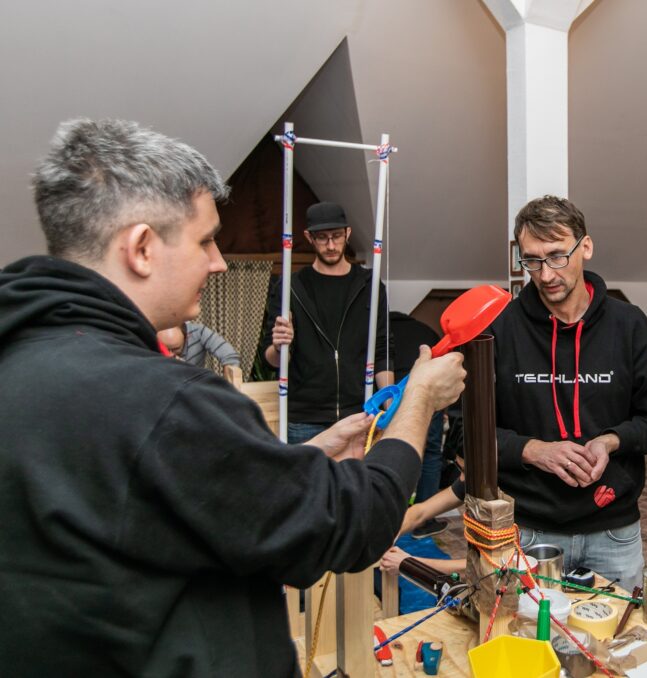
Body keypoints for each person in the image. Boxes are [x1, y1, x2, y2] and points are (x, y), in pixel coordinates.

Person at [0, 118, 466, 677]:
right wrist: (418, 402)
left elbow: (179, 493)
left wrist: (309, 453)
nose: (219, 261)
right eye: (204, 240)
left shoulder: (26, 358)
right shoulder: (163, 400)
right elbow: (352, 524)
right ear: (142, 249)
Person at [489, 195, 647, 591]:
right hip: (528, 530)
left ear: (586, 247)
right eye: (532, 260)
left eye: (557, 256)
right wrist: (534, 451)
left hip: (614, 532)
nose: (545, 275)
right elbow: (464, 433)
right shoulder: (499, 331)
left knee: (614, 648)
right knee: (532, 647)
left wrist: (611, 441)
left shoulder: (629, 326)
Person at [261, 201, 394, 444]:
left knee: (357, 482)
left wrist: (390, 407)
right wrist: (281, 346)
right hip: (305, 419)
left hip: (360, 413)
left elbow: (382, 349)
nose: (331, 245)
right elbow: (271, 359)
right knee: (309, 483)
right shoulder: (291, 286)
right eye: (322, 238)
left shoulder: (370, 286)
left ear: (348, 233)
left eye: (336, 236)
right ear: (308, 238)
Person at [391, 310, 447, 537]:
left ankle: (394, 517)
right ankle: (424, 520)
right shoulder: (426, 330)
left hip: (389, 394)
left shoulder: (381, 331)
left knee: (391, 451)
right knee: (431, 452)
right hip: (426, 395)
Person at [157, 320, 241, 367]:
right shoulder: (149, 338)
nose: (170, 354)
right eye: (165, 349)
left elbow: (230, 356)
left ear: (187, 337)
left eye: (175, 349)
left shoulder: (199, 332)